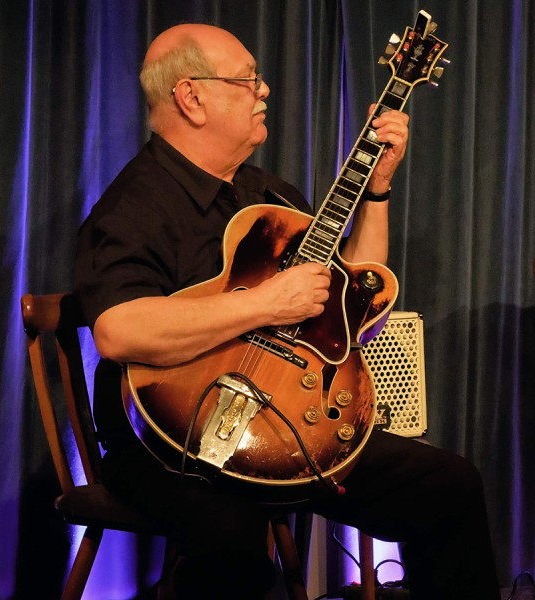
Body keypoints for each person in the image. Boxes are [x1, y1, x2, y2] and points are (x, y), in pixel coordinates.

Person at [74, 23, 499, 600]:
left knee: (449, 486)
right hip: (169, 444)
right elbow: (119, 330)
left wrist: (376, 192)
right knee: (230, 534)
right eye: (247, 79)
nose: (265, 89)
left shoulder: (270, 195)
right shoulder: (135, 207)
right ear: (191, 97)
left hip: (290, 427)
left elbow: (352, 303)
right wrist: (265, 303)